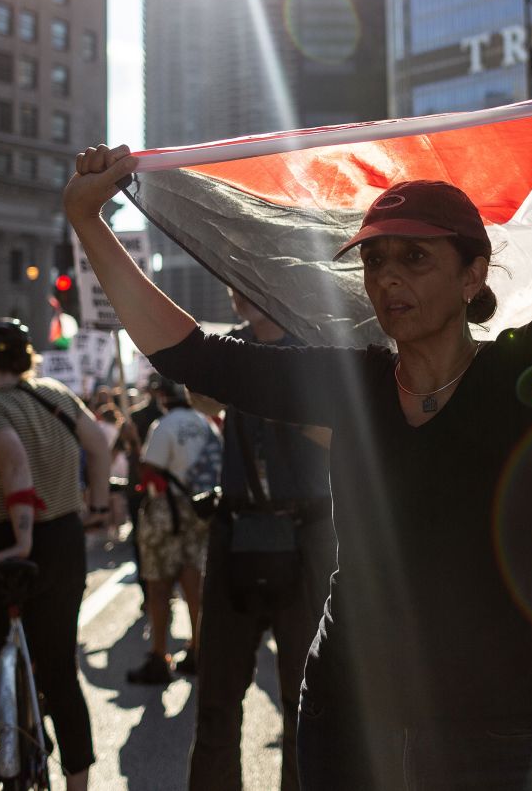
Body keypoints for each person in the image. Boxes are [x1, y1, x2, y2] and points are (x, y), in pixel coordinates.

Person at [65, 54, 532, 789]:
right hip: (350, 715)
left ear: (472, 273)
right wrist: (90, 222)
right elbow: (193, 356)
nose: (387, 279)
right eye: (375, 260)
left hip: (500, 726)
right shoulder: (348, 382)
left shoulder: (520, 373)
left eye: (414, 258)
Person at [0, 319, 109, 791]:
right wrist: (96, 506)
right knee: (60, 669)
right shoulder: (56, 394)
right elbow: (97, 445)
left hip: (8, 540)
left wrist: (21, 539)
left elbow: (14, 464)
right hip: (65, 539)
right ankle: (78, 784)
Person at [188, 288, 336, 791]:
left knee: (305, 701)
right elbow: (198, 394)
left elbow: (342, 434)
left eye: (251, 279)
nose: (240, 290)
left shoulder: (317, 350)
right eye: (233, 281)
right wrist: (239, 375)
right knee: (216, 702)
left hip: (307, 532)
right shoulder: (230, 348)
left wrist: (279, 402)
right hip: (237, 531)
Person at [128, 378, 221, 684]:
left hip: (167, 511)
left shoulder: (163, 425)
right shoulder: (206, 424)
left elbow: (150, 469)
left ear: (162, 397)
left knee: (159, 584)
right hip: (201, 510)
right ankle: (198, 647)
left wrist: (132, 445)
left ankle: (159, 656)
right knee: (195, 580)